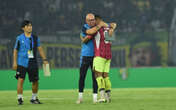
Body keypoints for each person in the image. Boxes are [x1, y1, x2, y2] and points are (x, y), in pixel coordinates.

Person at [12, 20, 49, 105]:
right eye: (28, 26)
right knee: (20, 80)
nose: (30, 27)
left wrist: (45, 60)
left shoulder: (35, 38)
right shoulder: (19, 38)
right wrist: (14, 62)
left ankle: (34, 98)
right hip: (22, 62)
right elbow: (15, 51)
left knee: (35, 81)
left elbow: (40, 49)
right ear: (23, 28)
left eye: (31, 25)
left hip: (33, 62)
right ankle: (20, 99)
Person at [77, 13, 108, 104]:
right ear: (86, 21)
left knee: (95, 77)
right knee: (82, 76)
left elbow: (105, 27)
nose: (92, 21)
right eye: (90, 20)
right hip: (85, 55)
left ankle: (95, 98)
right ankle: (80, 97)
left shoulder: (97, 26)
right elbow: (86, 39)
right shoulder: (84, 27)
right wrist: (90, 35)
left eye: (93, 19)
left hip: (96, 56)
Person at [93, 15, 116, 103]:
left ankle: (102, 97)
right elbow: (114, 24)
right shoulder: (108, 28)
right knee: (105, 76)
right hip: (108, 55)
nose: (93, 22)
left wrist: (100, 25)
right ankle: (108, 97)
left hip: (99, 54)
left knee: (98, 75)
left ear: (98, 20)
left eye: (94, 20)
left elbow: (90, 32)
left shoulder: (97, 29)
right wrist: (111, 27)